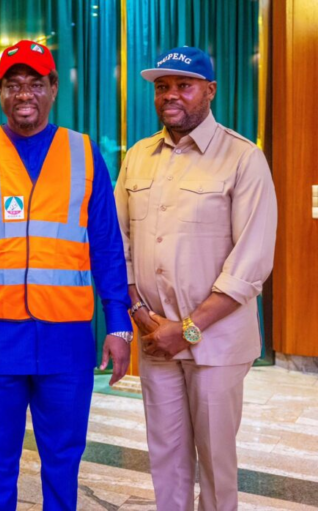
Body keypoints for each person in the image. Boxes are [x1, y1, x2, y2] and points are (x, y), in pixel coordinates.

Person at [0, 40, 133, 510]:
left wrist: (118, 321)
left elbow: (107, 246)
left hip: (66, 340)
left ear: (53, 88)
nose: (24, 94)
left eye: (35, 83)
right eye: (13, 85)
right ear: (0, 91)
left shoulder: (84, 153)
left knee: (63, 458)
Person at [115, 46, 277, 511]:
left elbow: (251, 263)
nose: (171, 95)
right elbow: (119, 246)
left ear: (210, 91)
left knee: (216, 461)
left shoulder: (243, 159)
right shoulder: (138, 158)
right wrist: (146, 319)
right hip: (156, 340)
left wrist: (186, 329)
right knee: (165, 458)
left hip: (216, 344)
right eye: (162, 87)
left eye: (183, 85)